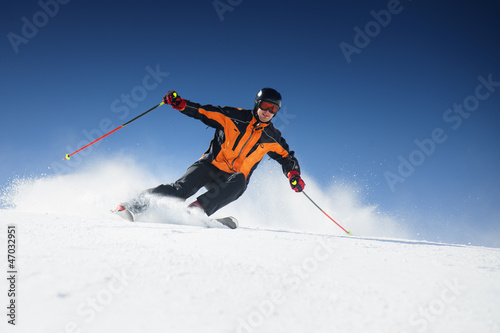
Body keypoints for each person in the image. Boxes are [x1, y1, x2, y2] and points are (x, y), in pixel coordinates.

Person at [114, 88, 305, 220]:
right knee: (180, 190)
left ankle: (195, 211)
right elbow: (203, 111)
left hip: (229, 179)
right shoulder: (233, 116)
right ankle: (131, 206)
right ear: (257, 103)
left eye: (273, 109)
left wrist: (293, 174)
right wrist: (181, 104)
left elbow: (287, 158)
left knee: (241, 181)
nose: (268, 111)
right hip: (208, 166)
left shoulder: (272, 137)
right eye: (265, 105)